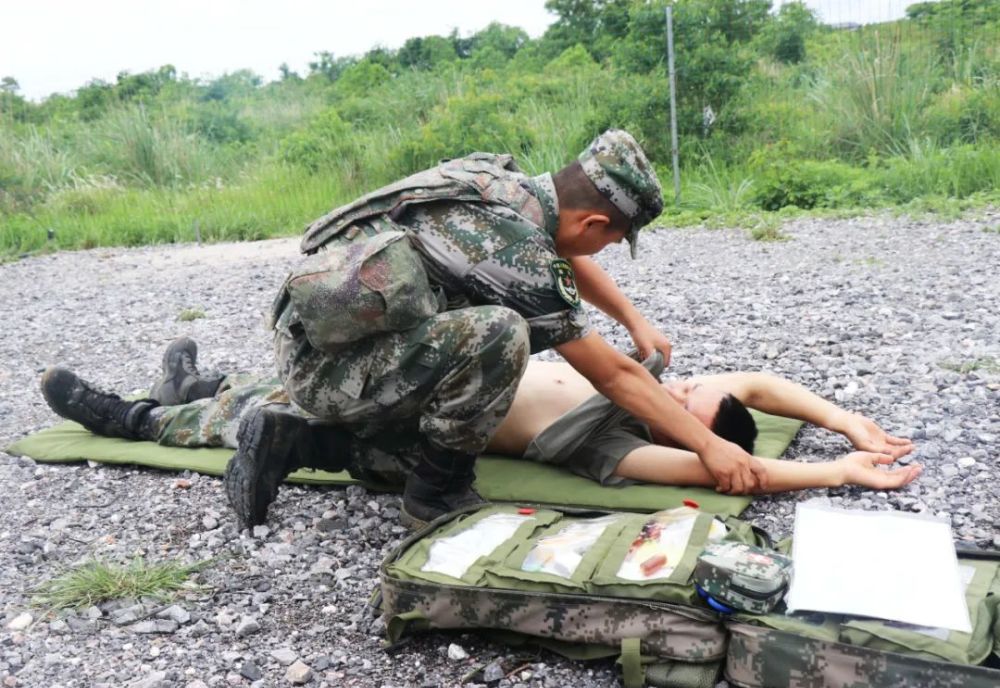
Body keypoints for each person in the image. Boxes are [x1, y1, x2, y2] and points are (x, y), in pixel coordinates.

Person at [41, 130, 769, 530]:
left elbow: (560, 264)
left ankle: (192, 398)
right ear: (593, 221)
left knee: (360, 401)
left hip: (321, 335)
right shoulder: (519, 251)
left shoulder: (499, 183)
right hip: (334, 366)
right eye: (610, 242)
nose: (603, 256)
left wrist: (632, 316)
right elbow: (608, 371)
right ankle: (435, 494)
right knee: (496, 338)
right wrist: (707, 443)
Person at [40, 337, 920, 528]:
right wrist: (845, 420)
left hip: (417, 414)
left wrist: (842, 473)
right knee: (288, 382)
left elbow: (749, 477)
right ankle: (190, 384)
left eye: (689, 398)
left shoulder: (623, 445)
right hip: (431, 371)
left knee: (277, 414)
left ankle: (139, 416)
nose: (684, 385)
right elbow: (758, 384)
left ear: (697, 439)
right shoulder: (670, 396)